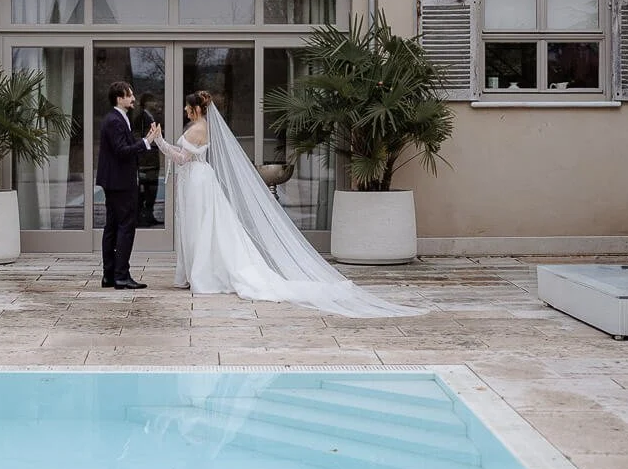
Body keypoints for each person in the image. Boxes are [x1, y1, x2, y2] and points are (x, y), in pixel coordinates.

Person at [150, 91, 425, 318]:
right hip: (201, 181)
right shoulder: (203, 127)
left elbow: (183, 158)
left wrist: (160, 142)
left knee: (203, 228)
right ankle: (201, 271)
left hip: (198, 181)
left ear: (196, 108)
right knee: (207, 228)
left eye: (188, 107)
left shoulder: (198, 129)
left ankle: (204, 274)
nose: (185, 110)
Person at [96, 80, 152, 289]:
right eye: (130, 95)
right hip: (120, 182)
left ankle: (109, 275)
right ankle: (121, 275)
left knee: (112, 226)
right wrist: (146, 142)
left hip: (114, 181)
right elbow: (121, 150)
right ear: (120, 98)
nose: (134, 99)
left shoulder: (118, 118)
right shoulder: (115, 120)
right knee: (125, 227)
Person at [132, 92, 162, 227]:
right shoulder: (141, 118)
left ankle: (149, 215)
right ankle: (141, 217)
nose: (156, 104)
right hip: (145, 160)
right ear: (146, 103)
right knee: (144, 189)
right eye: (153, 101)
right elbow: (138, 137)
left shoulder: (151, 117)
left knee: (151, 189)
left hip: (152, 160)